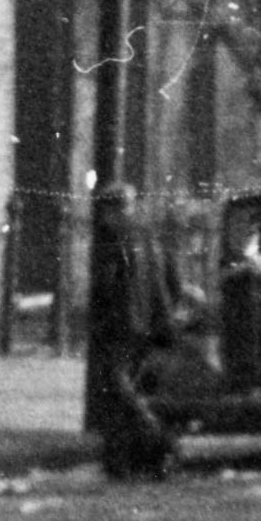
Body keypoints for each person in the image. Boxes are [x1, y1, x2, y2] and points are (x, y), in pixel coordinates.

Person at [87, 182, 186, 478]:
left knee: (120, 391)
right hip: (155, 325)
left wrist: (99, 322)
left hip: (123, 325)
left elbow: (105, 287)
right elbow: (174, 281)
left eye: (105, 211)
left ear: (111, 211)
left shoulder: (111, 238)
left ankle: (151, 446)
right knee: (142, 387)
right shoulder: (151, 234)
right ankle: (146, 458)